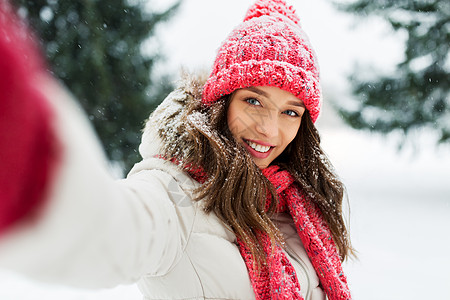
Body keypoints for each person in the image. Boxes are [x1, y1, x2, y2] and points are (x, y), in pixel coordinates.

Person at [0, 0, 354, 299]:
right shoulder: (178, 190)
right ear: (222, 101)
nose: (269, 128)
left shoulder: (299, 201)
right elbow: (107, 233)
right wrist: (25, 152)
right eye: (253, 101)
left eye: (290, 111)